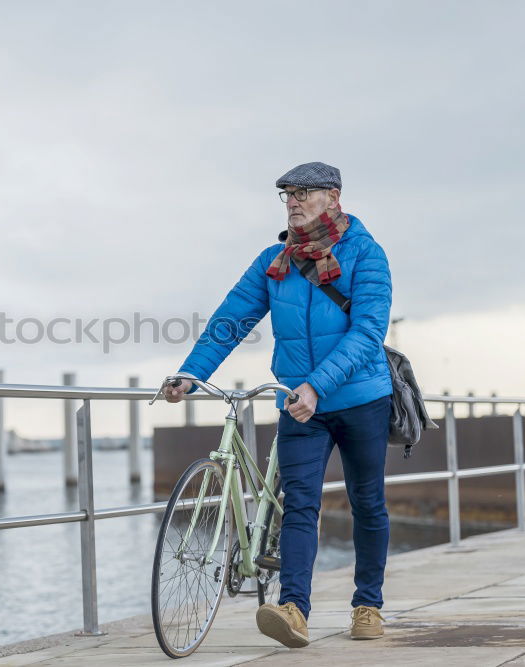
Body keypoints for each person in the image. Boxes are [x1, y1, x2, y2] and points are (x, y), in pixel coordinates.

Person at [162, 161, 393, 648]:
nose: (291, 201)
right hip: (297, 404)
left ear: (332, 197)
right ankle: (294, 610)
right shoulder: (275, 259)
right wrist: (192, 373)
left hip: (360, 399)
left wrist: (317, 386)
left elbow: (368, 332)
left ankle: (368, 606)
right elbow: (231, 318)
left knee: (367, 502)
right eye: (286, 194)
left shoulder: (367, 255)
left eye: (302, 193)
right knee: (300, 505)